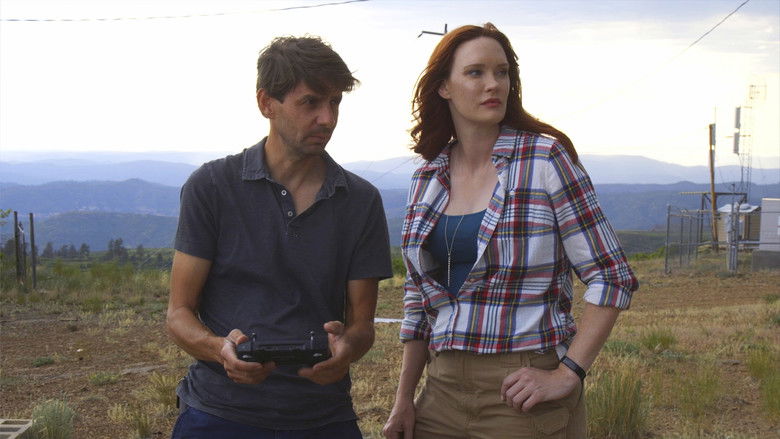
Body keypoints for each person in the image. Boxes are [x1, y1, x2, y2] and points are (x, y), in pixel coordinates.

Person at [383, 23, 639, 439]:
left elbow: (612, 276)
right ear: (444, 87)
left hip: (521, 393)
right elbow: (418, 305)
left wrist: (568, 372)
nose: (493, 84)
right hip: (440, 390)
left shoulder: (545, 159)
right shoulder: (427, 177)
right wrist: (404, 400)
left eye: (501, 72)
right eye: (476, 72)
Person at [167, 36, 393, 438]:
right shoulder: (211, 186)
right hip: (218, 412)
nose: (327, 118)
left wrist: (347, 348)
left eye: (335, 102)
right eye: (310, 102)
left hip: (323, 415)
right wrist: (221, 350)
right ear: (265, 103)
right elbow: (179, 313)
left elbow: (362, 324)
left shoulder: (360, 201)